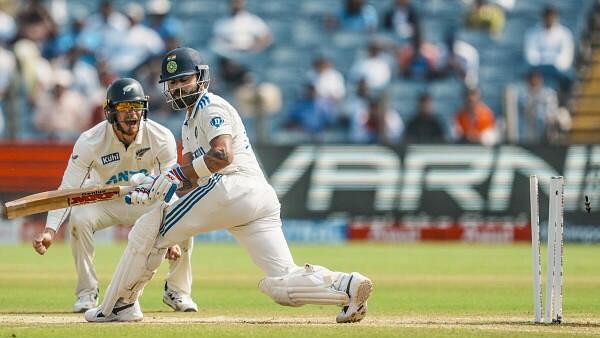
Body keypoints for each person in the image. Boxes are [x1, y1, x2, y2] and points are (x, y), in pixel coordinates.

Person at [84, 47, 374, 323]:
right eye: (172, 83)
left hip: (232, 187)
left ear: (200, 77)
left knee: (150, 228)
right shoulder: (188, 123)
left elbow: (222, 155)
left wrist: (170, 178)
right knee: (281, 281)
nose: (177, 88)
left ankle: (120, 306)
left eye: (184, 80)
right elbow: (188, 180)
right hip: (256, 200)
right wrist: (153, 186)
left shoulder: (210, 107)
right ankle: (347, 286)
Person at [31, 78, 198, 313]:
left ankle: (178, 291)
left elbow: (166, 188)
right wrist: (50, 230)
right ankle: (87, 294)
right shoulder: (90, 141)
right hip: (105, 201)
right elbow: (68, 188)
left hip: (146, 200)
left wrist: (170, 235)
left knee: (182, 218)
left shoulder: (161, 137)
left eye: (137, 106)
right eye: (123, 107)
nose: (132, 114)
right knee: (80, 219)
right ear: (110, 112)